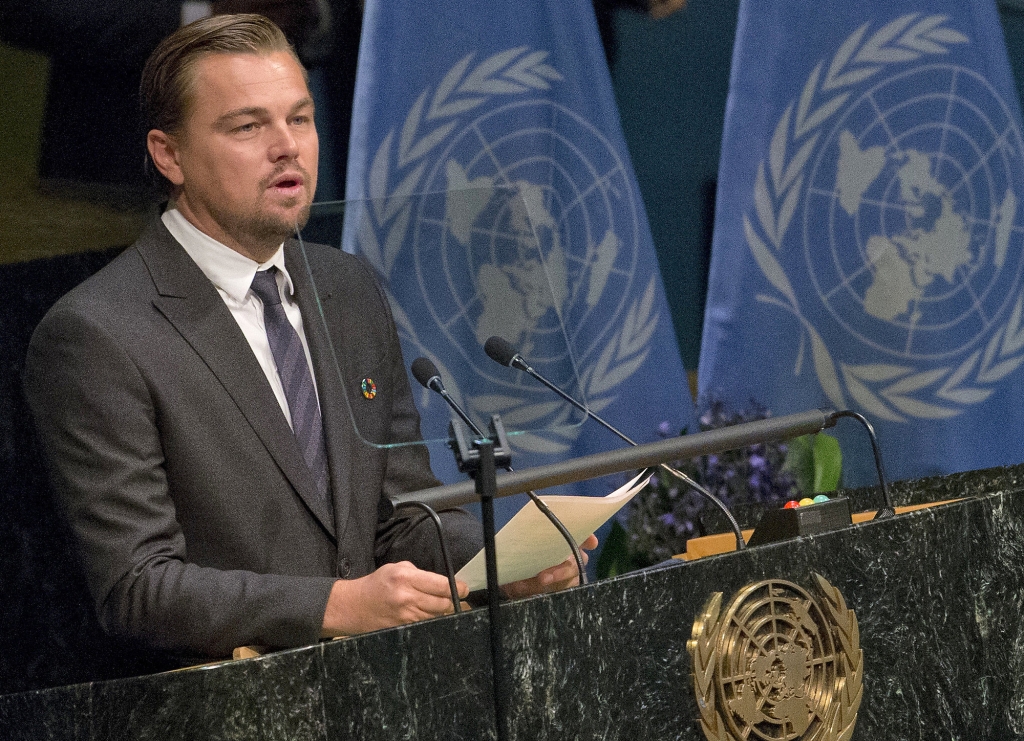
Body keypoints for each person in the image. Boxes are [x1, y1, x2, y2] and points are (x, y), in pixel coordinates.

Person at [24, 14, 593, 660]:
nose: (287, 146)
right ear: (169, 155)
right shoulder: (96, 335)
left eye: (300, 119)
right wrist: (335, 604)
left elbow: (401, 513)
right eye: (248, 126)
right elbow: (137, 585)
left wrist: (499, 558)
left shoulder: (345, 288)